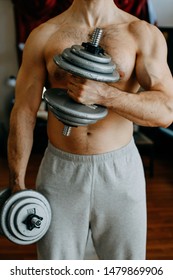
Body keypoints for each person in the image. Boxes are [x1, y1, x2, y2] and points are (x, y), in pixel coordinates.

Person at [8, 0, 173, 260]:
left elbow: (166, 111)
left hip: (119, 170)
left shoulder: (140, 33)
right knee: (56, 268)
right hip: (60, 170)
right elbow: (24, 112)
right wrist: (17, 182)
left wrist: (106, 95)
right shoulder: (44, 35)